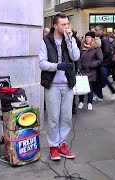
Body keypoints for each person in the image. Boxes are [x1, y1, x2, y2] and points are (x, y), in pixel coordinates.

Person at [39, 13, 80, 160]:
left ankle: (62, 144)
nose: (67, 27)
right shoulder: (46, 41)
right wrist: (57, 66)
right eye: (63, 24)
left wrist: (70, 41)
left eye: (67, 24)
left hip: (67, 84)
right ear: (55, 26)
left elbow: (75, 57)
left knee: (67, 117)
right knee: (53, 118)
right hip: (52, 85)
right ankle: (53, 147)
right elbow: (42, 63)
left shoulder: (71, 39)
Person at [77, 31, 103, 110]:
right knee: (81, 86)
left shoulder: (96, 48)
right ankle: (81, 101)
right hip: (82, 70)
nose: (87, 39)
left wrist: (92, 64)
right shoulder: (81, 48)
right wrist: (79, 66)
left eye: (89, 37)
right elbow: (78, 58)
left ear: (92, 39)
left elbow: (100, 59)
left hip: (91, 71)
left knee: (90, 87)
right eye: (86, 37)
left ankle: (89, 102)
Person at [93, 25, 115, 101]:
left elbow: (107, 52)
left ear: (101, 31)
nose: (95, 31)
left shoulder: (104, 40)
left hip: (104, 64)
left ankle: (112, 91)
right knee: (98, 79)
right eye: (95, 30)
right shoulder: (98, 39)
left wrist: (98, 58)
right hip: (101, 63)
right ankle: (99, 95)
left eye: (96, 30)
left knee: (103, 78)